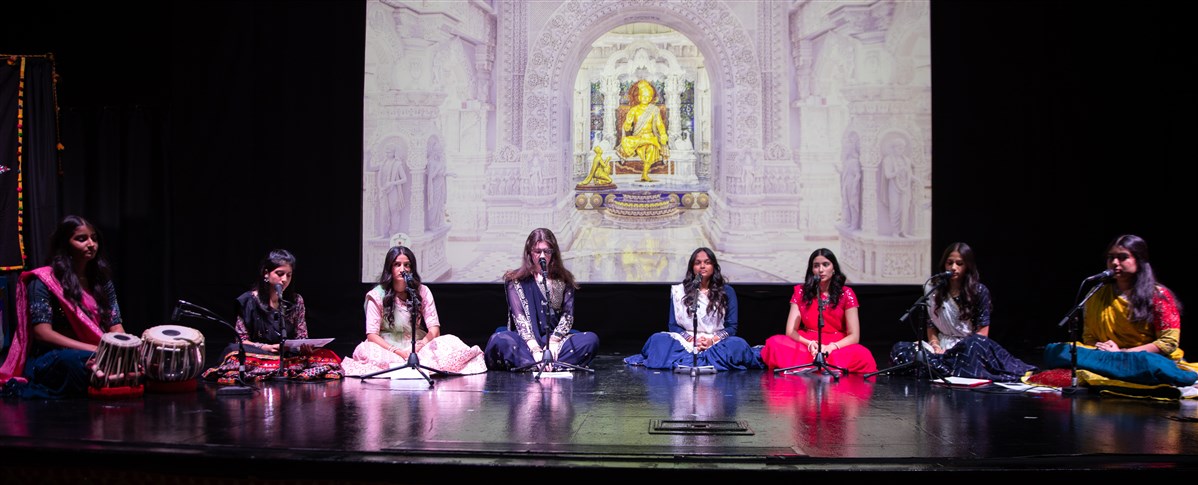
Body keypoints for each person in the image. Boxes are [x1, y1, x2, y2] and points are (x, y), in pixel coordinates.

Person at [0, 215, 128, 399]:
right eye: (81, 239)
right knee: (72, 362)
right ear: (65, 244)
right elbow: (42, 333)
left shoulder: (101, 281)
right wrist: (94, 349)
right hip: (54, 355)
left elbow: (115, 325)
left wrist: (125, 347)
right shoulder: (44, 281)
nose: (91, 244)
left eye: (94, 238)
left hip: (97, 349)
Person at [888, 242, 1036, 382]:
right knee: (900, 349)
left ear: (967, 266)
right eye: (949, 263)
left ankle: (939, 368)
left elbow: (982, 334)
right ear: (944, 264)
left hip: (969, 348)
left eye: (959, 263)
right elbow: (931, 324)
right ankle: (947, 368)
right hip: (941, 347)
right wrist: (935, 345)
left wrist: (954, 351)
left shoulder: (979, 291)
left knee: (974, 345)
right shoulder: (933, 289)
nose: (953, 267)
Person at [340, 246, 487, 376]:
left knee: (451, 342)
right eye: (397, 264)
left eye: (407, 265)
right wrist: (397, 351)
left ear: (412, 268)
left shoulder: (422, 291)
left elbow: (434, 329)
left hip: (418, 346)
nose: (402, 269)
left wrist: (421, 345)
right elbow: (372, 334)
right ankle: (406, 364)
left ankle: (413, 363)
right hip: (387, 348)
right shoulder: (377, 295)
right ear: (389, 268)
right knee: (365, 351)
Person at [202, 249, 343, 384]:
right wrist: (266, 347)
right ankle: (283, 369)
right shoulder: (248, 301)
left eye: (289, 275)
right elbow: (242, 340)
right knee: (234, 354)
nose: (284, 279)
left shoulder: (296, 300)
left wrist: (304, 347)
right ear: (266, 273)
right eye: (280, 274)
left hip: (288, 356)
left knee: (328, 356)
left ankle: (275, 370)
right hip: (258, 355)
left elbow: (301, 336)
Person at [623, 248, 763, 370]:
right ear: (692, 267)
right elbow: (673, 325)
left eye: (707, 262)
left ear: (714, 266)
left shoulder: (727, 291)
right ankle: (708, 360)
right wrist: (691, 339)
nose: (702, 266)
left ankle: (687, 361)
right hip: (686, 341)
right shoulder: (679, 291)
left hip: (716, 340)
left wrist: (711, 341)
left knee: (737, 344)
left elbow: (732, 327)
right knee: (658, 339)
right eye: (698, 263)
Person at [483, 228, 600, 371]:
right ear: (529, 253)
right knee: (499, 340)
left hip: (555, 340)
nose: (542, 256)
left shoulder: (564, 279)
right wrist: (535, 349)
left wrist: (554, 341)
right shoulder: (515, 280)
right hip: (525, 341)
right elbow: (519, 318)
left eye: (547, 251)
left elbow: (567, 316)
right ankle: (550, 364)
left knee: (591, 340)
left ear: (554, 253)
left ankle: (531, 364)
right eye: (537, 251)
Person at [760, 248, 877, 374]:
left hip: (837, 344)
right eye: (816, 266)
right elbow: (790, 331)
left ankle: (814, 365)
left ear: (833, 268)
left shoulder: (846, 293)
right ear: (812, 270)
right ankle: (820, 366)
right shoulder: (801, 292)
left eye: (825, 265)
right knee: (774, 343)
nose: (821, 270)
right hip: (808, 343)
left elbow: (854, 336)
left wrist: (832, 347)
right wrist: (810, 344)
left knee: (862, 354)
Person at [617, 80, 669, 182]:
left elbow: (660, 125)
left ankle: (644, 174)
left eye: (648, 96)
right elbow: (627, 127)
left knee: (652, 148)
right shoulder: (634, 110)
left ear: (651, 98)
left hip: (650, 137)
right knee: (626, 141)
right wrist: (627, 125)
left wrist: (663, 134)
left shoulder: (654, 110)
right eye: (644, 96)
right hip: (638, 138)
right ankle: (649, 142)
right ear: (639, 97)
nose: (646, 98)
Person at [881, 137, 913, 237]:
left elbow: (909, 174)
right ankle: (895, 231)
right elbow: (887, 175)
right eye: (898, 147)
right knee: (895, 209)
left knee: (904, 209)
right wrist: (897, 172)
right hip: (893, 187)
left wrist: (916, 179)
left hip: (905, 187)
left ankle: (903, 231)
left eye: (902, 148)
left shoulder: (906, 160)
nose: (901, 150)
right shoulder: (888, 160)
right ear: (893, 148)